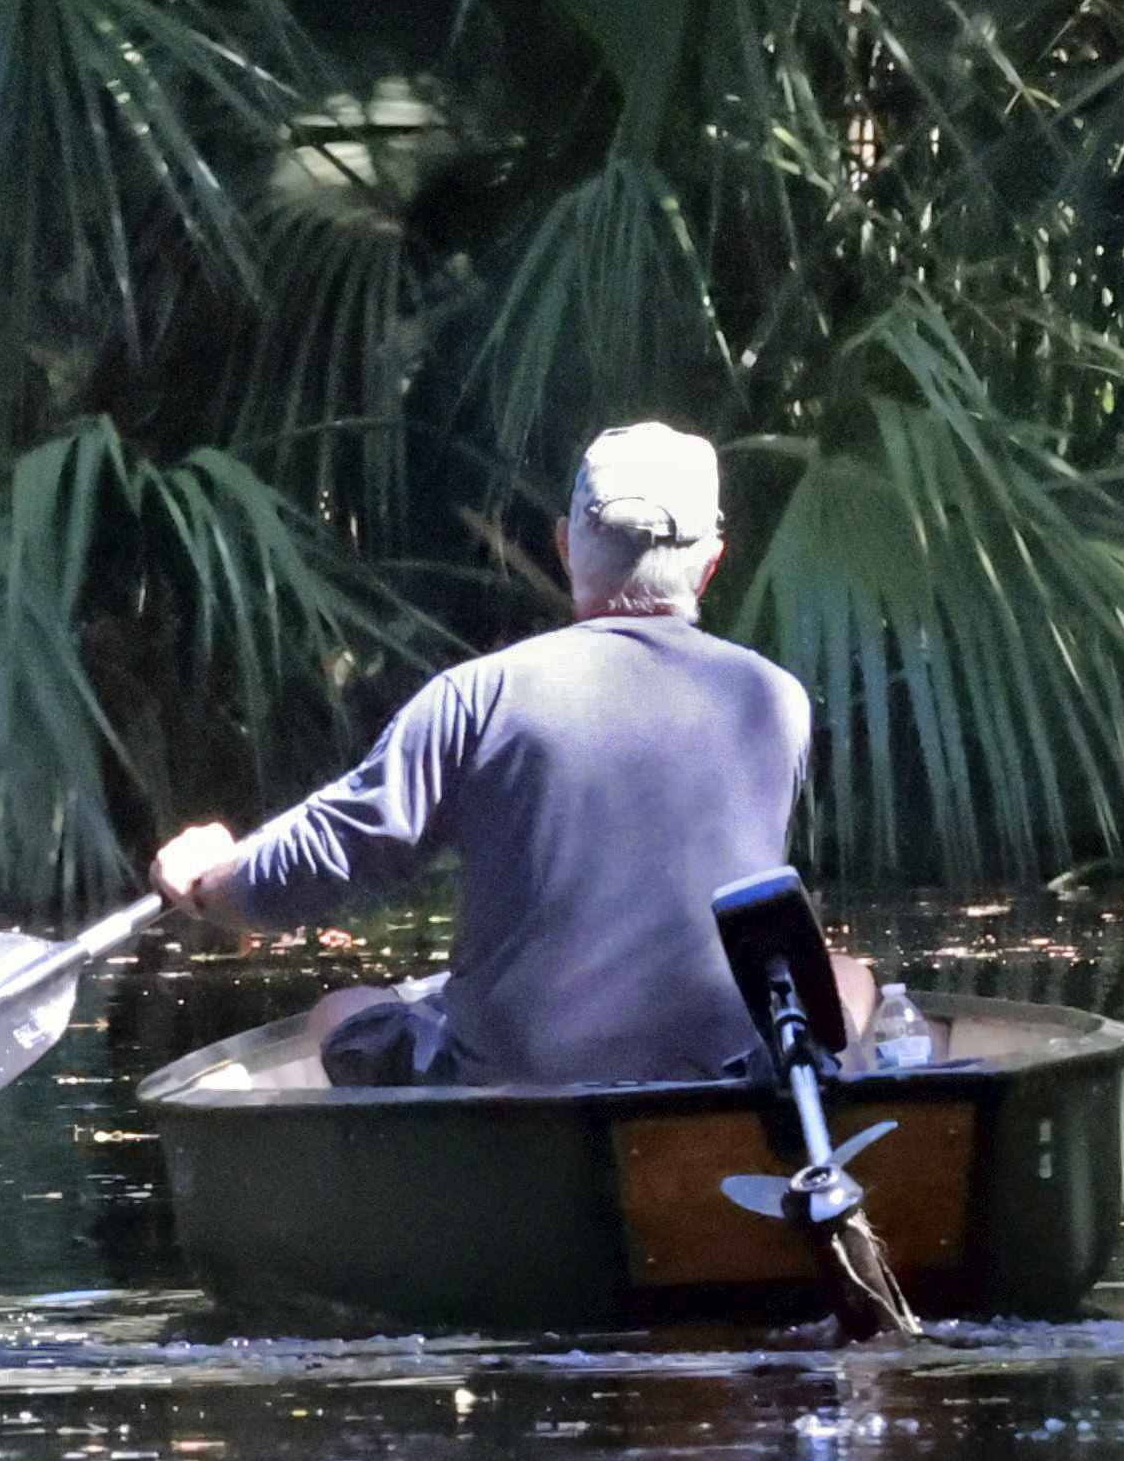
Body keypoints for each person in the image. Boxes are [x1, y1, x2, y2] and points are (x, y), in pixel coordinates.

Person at [151, 421, 821, 1086]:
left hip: (510, 1085)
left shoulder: (478, 696)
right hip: (723, 1075)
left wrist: (213, 882)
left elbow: (332, 852)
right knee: (844, 981)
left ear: (564, 545)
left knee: (341, 1011)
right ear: (710, 566)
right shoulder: (775, 700)